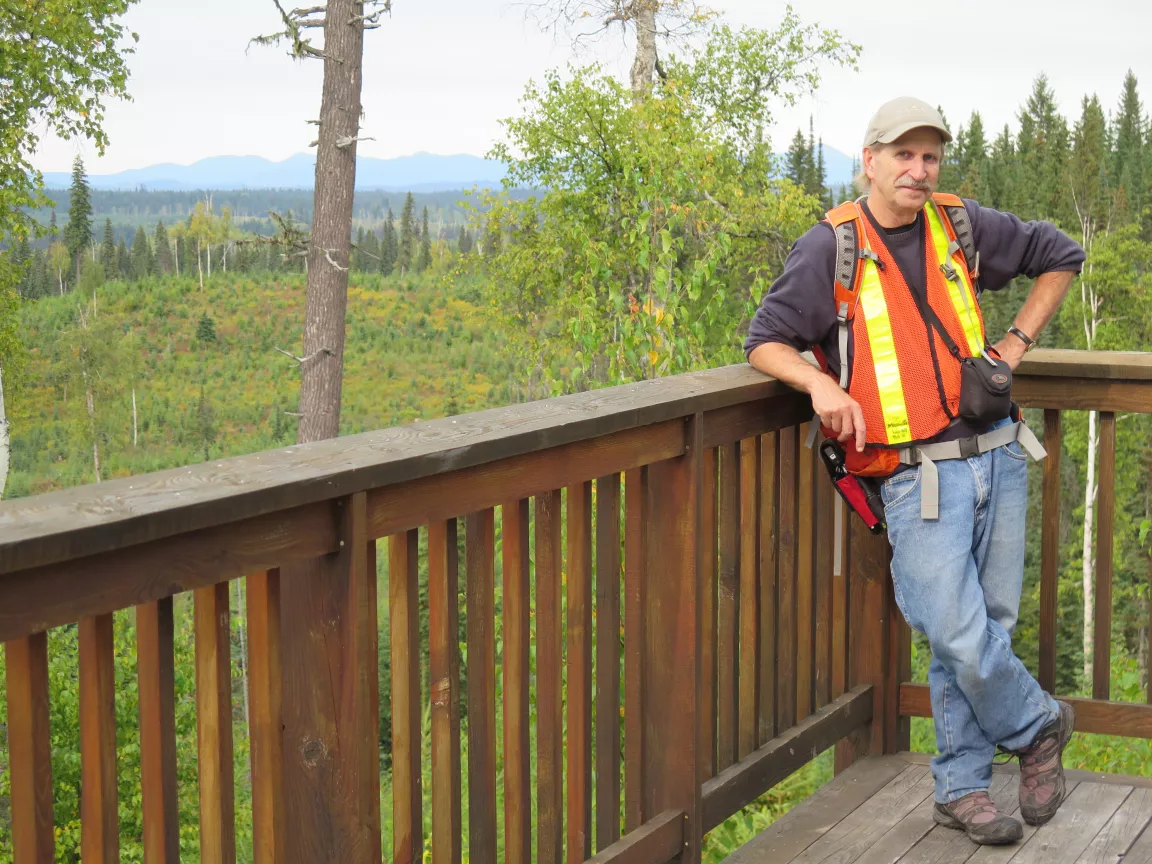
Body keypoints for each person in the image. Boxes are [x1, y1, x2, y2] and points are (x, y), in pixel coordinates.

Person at [744, 96, 1085, 845]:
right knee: (959, 631)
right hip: (915, 474)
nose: (918, 169)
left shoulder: (959, 224)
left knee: (983, 628)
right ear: (870, 160)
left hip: (1000, 454)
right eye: (903, 155)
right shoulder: (829, 246)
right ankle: (1038, 725)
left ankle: (962, 788)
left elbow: (1062, 253)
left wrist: (1015, 346)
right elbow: (764, 340)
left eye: (930, 156)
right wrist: (819, 383)